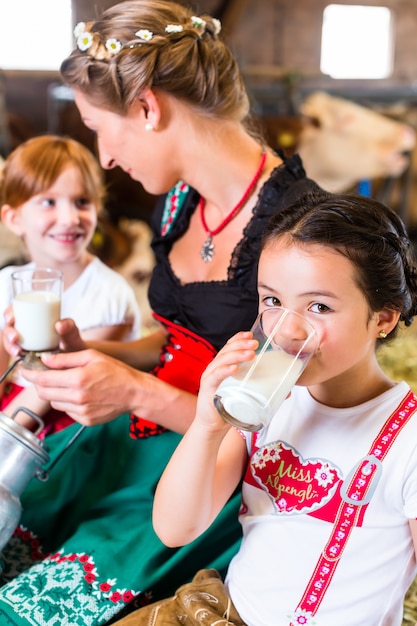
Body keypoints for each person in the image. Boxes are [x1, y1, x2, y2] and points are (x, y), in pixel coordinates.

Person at [0, 2, 321, 624]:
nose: (106, 157)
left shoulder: (297, 230)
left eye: (98, 126)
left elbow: (280, 432)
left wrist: (135, 392)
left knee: (24, 609)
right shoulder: (176, 204)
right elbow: (177, 341)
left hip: (204, 477)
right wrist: (91, 353)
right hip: (133, 439)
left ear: (147, 108)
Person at [109, 189, 417, 626]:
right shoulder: (267, 404)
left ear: (383, 319)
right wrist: (207, 425)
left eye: (319, 306)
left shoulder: (409, 441)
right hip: (219, 613)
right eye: (272, 301)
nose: (288, 329)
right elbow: (175, 529)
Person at [0, 134, 141, 434]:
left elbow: (54, 385)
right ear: (13, 219)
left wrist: (4, 431)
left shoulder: (110, 294)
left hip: (74, 424)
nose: (69, 217)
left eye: (82, 202)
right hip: (14, 409)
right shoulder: (7, 281)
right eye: (48, 202)